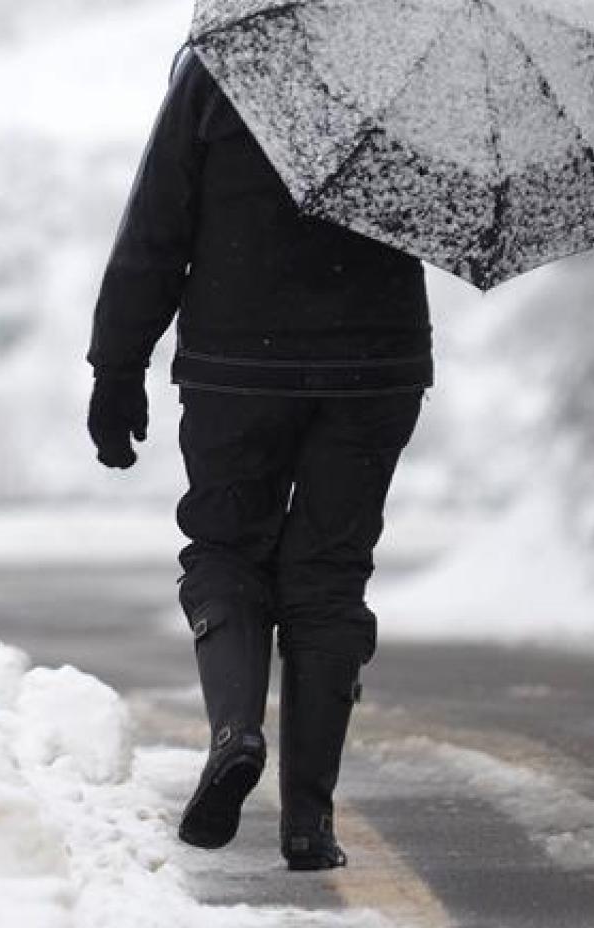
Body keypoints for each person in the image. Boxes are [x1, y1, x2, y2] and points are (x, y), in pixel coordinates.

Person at [87, 47, 431, 871]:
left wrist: (117, 366)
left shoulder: (226, 63)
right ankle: (309, 824)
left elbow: (157, 225)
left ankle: (237, 732)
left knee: (227, 549)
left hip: (238, 365)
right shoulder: (422, 66)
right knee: (330, 575)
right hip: (374, 367)